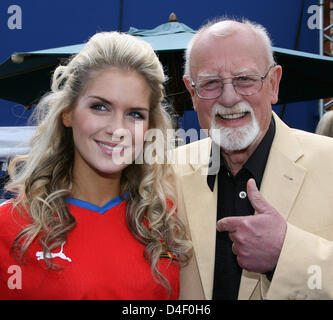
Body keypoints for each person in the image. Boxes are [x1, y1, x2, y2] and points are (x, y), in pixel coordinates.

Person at [0, 31, 191, 299]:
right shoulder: (9, 226)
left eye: (135, 114)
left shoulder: (168, 220)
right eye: (100, 107)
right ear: (68, 113)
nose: (117, 129)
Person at [174, 17, 333, 300]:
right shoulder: (165, 172)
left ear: (273, 83)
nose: (229, 97)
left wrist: (286, 253)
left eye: (244, 79)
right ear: (192, 93)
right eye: (210, 83)